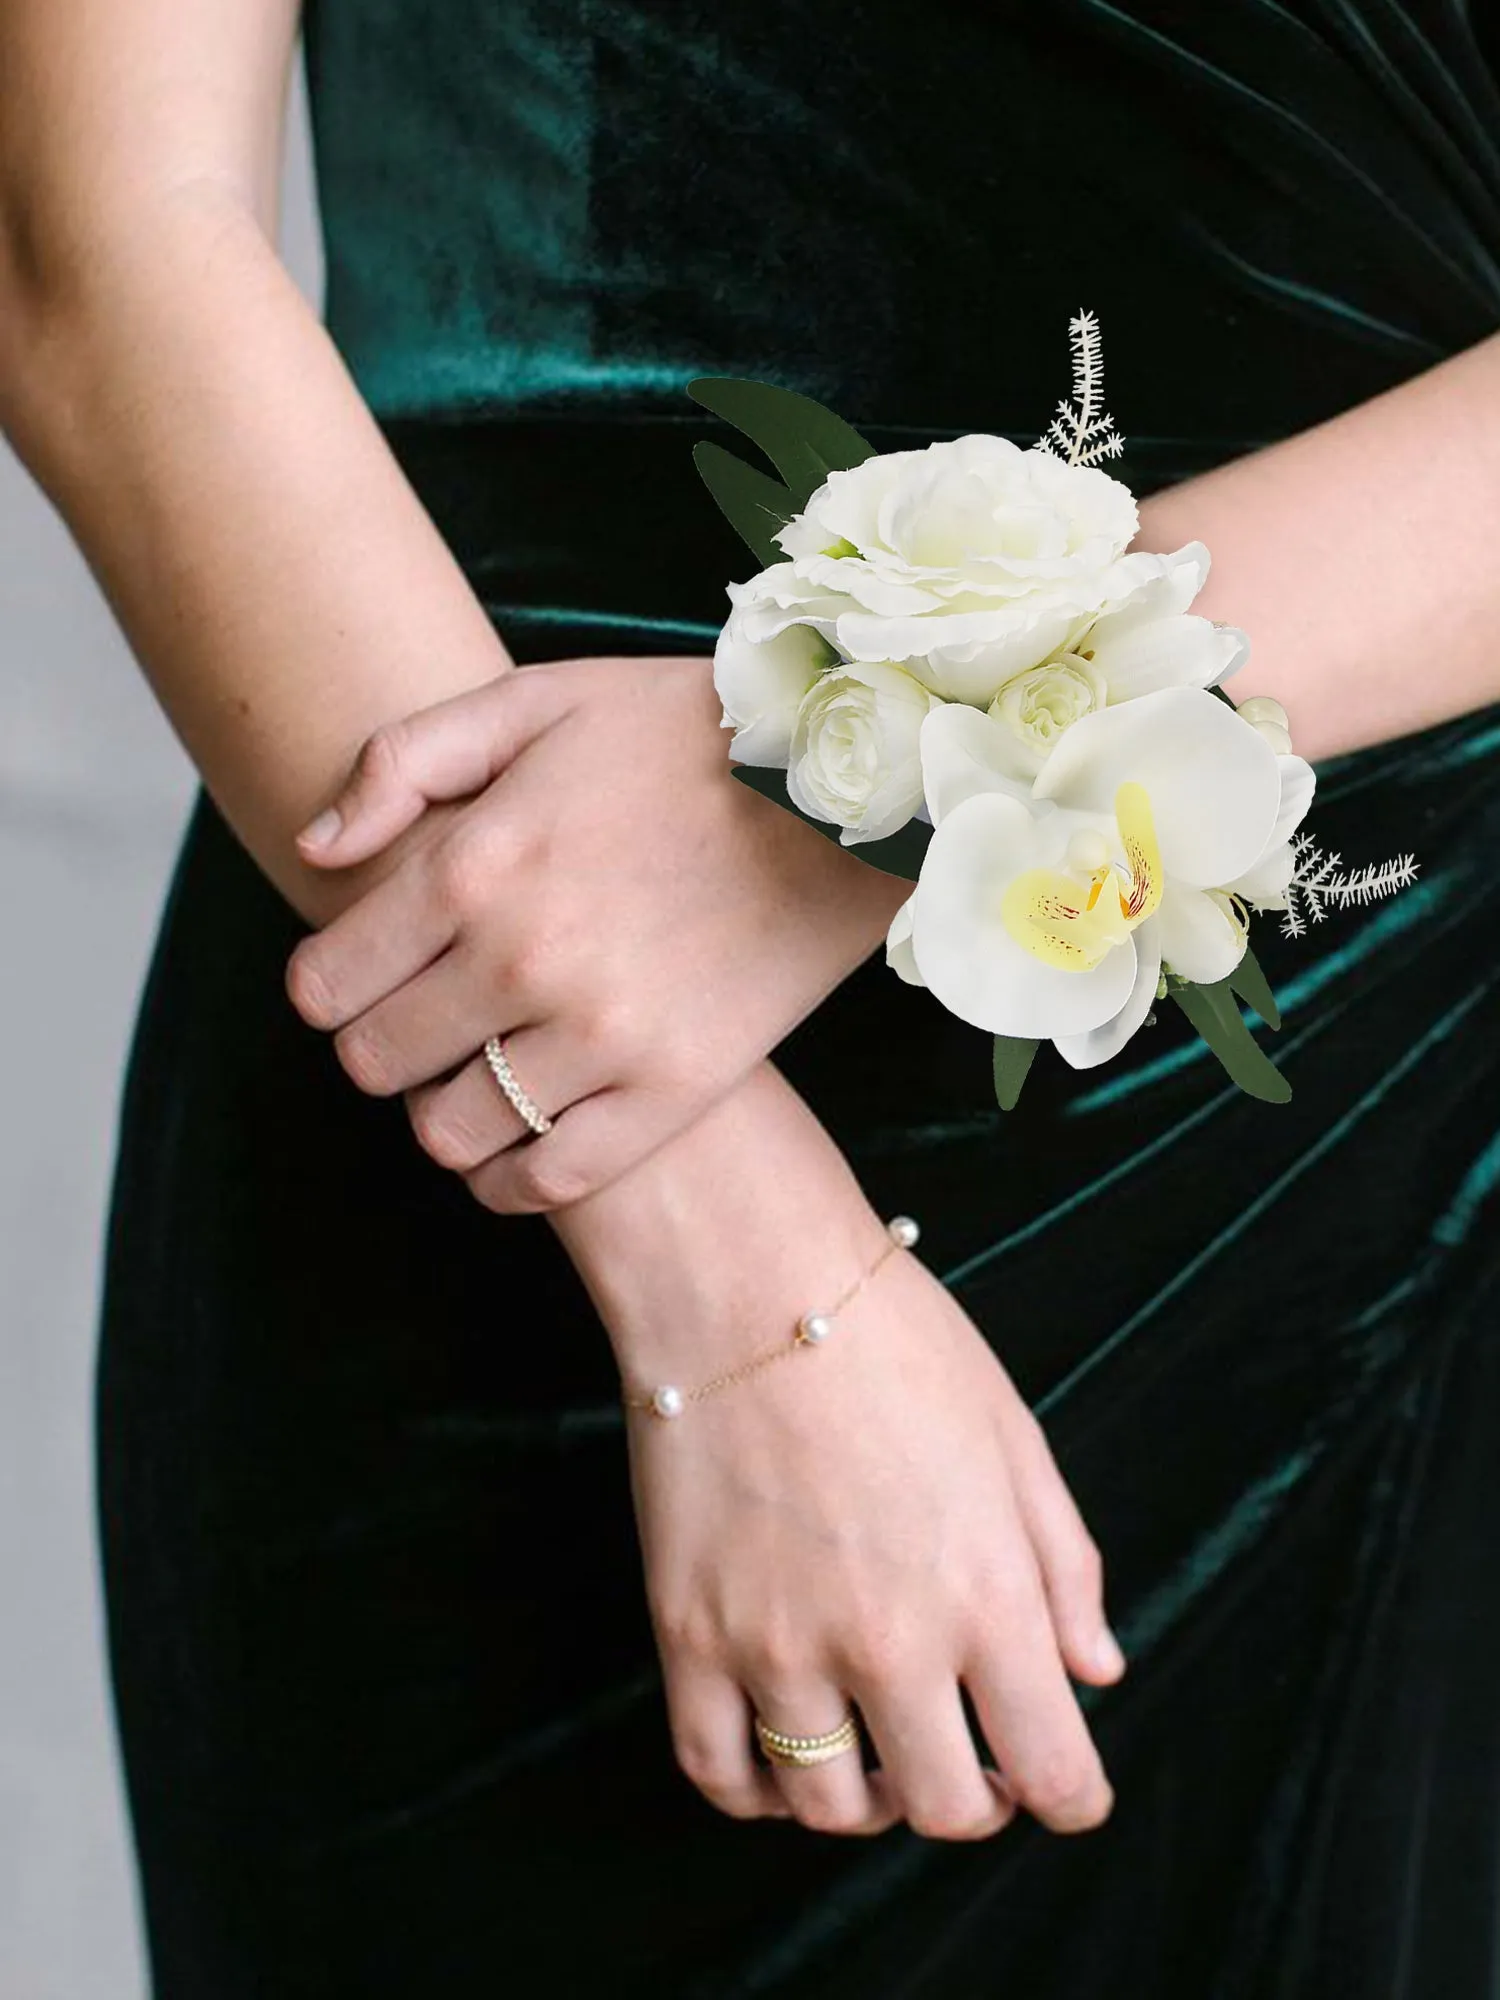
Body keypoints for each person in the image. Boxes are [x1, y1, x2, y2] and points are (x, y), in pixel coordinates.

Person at [3, 1, 1498, 1993]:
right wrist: (723, 1262)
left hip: (1396, 1100)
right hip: (513, 1053)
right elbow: (102, 250)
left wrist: (824, 795)